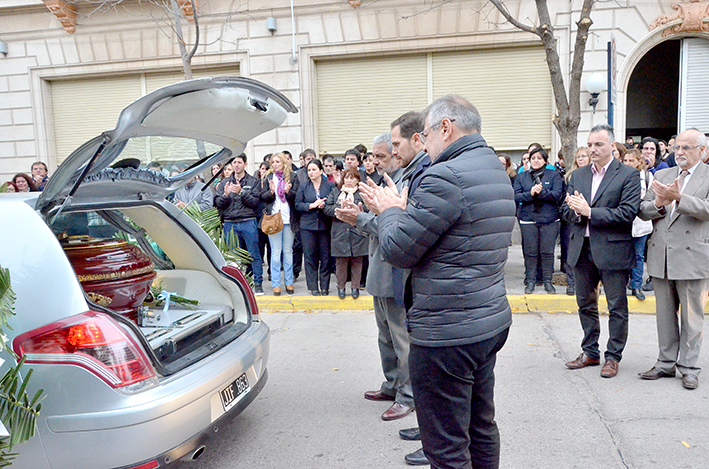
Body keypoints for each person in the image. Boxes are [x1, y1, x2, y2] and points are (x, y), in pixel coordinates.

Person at [361, 94, 515, 469]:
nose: (422, 144)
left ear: (446, 128)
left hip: (448, 332)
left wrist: (389, 211)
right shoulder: (492, 166)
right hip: (486, 320)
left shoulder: (445, 175)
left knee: (446, 446)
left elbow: (398, 249)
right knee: (480, 425)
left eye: (425, 134)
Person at [335, 132, 415, 422]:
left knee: (400, 337)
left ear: (397, 152)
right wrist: (359, 217)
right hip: (380, 269)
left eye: (382, 155)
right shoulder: (383, 181)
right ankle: (392, 384)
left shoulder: (405, 182)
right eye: (374, 156)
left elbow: (396, 224)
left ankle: (408, 395)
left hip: (396, 270)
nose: (376, 161)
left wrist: (362, 219)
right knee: (385, 336)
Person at [562, 124, 641, 379]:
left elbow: (627, 213)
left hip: (613, 250)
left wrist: (591, 212)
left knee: (617, 306)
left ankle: (613, 357)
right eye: (590, 144)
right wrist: (574, 211)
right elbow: (564, 210)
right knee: (585, 304)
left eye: (599, 144)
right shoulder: (578, 175)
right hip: (581, 249)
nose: (593, 149)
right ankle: (590, 351)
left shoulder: (627, 175)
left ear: (612, 147)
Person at [637, 129, 709, 390]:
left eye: (687, 148)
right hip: (662, 255)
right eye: (678, 147)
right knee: (664, 315)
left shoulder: (707, 176)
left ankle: (689, 367)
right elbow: (643, 210)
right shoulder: (662, 175)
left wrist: (680, 198)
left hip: (693, 256)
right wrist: (658, 202)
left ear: (702, 151)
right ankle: (665, 362)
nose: (680, 152)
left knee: (692, 316)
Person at [514, 147, 564, 294]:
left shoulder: (554, 175)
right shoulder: (522, 177)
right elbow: (516, 196)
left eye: (539, 158)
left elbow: (557, 196)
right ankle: (530, 281)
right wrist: (530, 193)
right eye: (533, 158)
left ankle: (548, 281)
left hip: (549, 219)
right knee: (531, 252)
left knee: (547, 252)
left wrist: (542, 192)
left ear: (545, 161)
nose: (536, 161)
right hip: (528, 219)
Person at [214, 153, 265, 295]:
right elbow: (218, 203)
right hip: (230, 223)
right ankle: (236, 285)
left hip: (248, 220)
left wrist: (242, 192)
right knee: (233, 257)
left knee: (254, 254)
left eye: (239, 162)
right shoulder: (224, 183)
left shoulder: (253, 181)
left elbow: (255, 202)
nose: (236, 165)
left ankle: (258, 283)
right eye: (234, 162)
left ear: (245, 164)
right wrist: (225, 195)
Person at [324, 168, 368, 299]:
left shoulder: (361, 193)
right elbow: (327, 207)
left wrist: (354, 210)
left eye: (352, 178)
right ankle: (341, 287)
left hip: (356, 230)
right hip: (340, 231)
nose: (349, 181)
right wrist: (341, 210)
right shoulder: (336, 192)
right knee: (341, 261)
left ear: (358, 180)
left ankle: (355, 287)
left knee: (357, 261)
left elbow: (367, 208)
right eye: (347, 178)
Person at [261, 152, 300, 296]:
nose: (275, 164)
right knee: (275, 252)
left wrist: (288, 192)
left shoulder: (293, 176)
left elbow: (296, 196)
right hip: (274, 219)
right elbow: (262, 197)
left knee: (288, 252)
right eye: (273, 162)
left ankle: (289, 282)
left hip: (289, 218)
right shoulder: (268, 177)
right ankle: (276, 283)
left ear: (284, 163)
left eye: (278, 161)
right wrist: (271, 192)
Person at [296, 159, 334, 296]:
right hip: (308, 226)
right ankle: (313, 286)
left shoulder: (329, 186)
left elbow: (333, 201)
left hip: (324, 225)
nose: (311, 172)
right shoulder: (304, 187)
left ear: (321, 171)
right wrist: (310, 206)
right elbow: (298, 205)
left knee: (325, 257)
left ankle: (325, 286)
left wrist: (325, 205)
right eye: (309, 170)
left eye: (314, 170)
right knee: (310, 256)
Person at [622, 149, 653, 300]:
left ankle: (636, 286)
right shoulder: (619, 176)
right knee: (622, 256)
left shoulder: (647, 177)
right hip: (623, 222)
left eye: (631, 161)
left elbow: (651, 198)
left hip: (641, 223)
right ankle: (622, 285)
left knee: (638, 256)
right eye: (625, 160)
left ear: (639, 162)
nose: (628, 164)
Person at [560, 147, 591, 296]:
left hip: (592, 221)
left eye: (584, 156)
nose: (580, 159)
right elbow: (565, 203)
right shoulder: (571, 177)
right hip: (574, 221)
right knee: (571, 252)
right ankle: (571, 283)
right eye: (578, 157)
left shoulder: (596, 177)